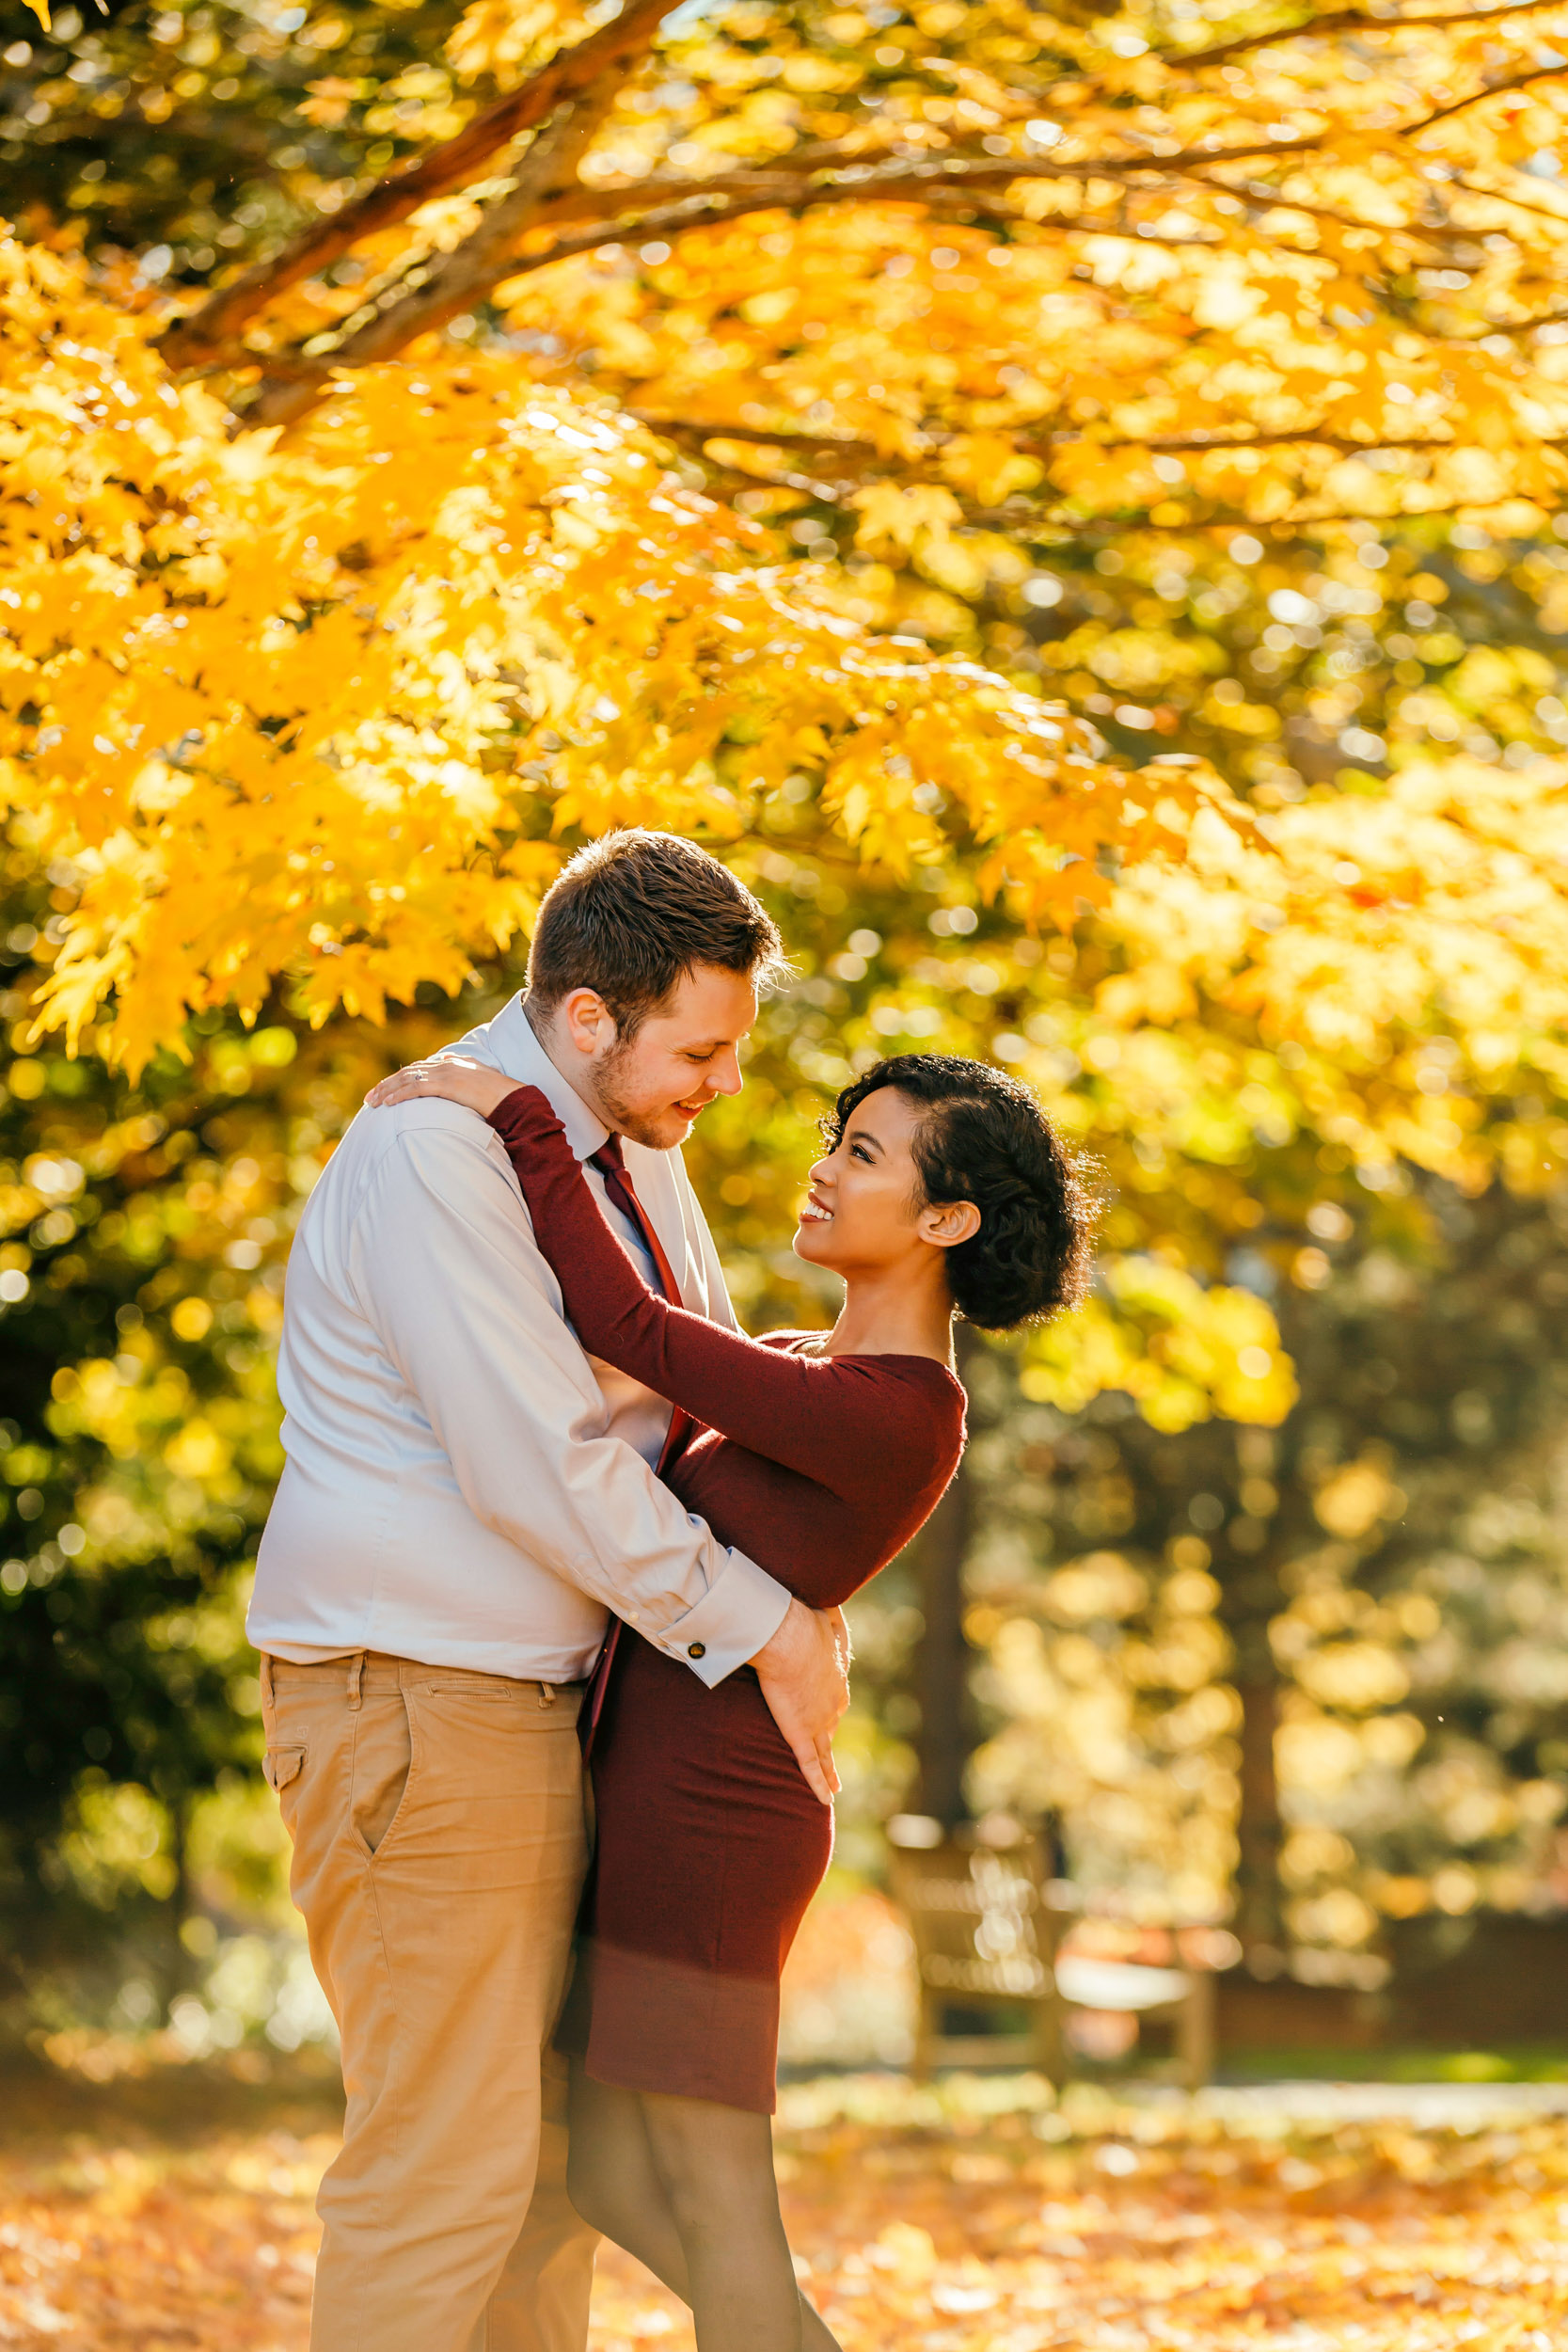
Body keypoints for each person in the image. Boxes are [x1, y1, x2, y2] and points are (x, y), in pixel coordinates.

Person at [368, 1040, 1095, 2352]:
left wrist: (526, 1117)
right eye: (837, 1138)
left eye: (863, 1155)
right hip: (652, 1807)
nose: (822, 1169)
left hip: (718, 1828)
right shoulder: (798, 1363)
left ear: (947, 1218)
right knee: (607, 2174)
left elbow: (630, 1325)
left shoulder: (898, 1408)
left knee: (721, 2210)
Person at [246, 831, 851, 2352]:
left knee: (541, 2194)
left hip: (552, 1711)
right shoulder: (435, 1154)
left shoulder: (627, 1141)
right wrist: (763, 1625)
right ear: (590, 1015)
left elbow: (680, 1389)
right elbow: (543, 1464)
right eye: (701, 1050)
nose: (725, 1085)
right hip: (420, 1701)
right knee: (446, 2176)